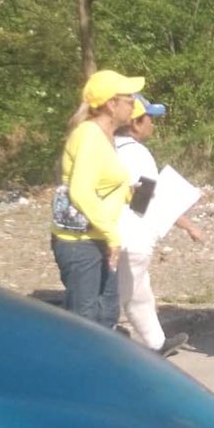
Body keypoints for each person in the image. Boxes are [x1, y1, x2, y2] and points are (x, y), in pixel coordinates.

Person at [52, 69, 143, 329]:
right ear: (111, 104)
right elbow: (80, 191)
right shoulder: (90, 135)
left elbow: (101, 183)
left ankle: (103, 368)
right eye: (129, 99)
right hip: (80, 243)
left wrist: (127, 193)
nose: (134, 105)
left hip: (97, 238)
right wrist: (113, 237)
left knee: (106, 316)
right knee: (86, 324)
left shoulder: (105, 136)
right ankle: (75, 370)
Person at [115, 93, 203, 357]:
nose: (153, 124)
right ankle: (96, 344)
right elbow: (146, 202)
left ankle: (156, 343)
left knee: (139, 292)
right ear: (135, 124)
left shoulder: (106, 147)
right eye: (150, 118)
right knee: (117, 297)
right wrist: (186, 219)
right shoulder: (137, 153)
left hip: (111, 234)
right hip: (132, 238)